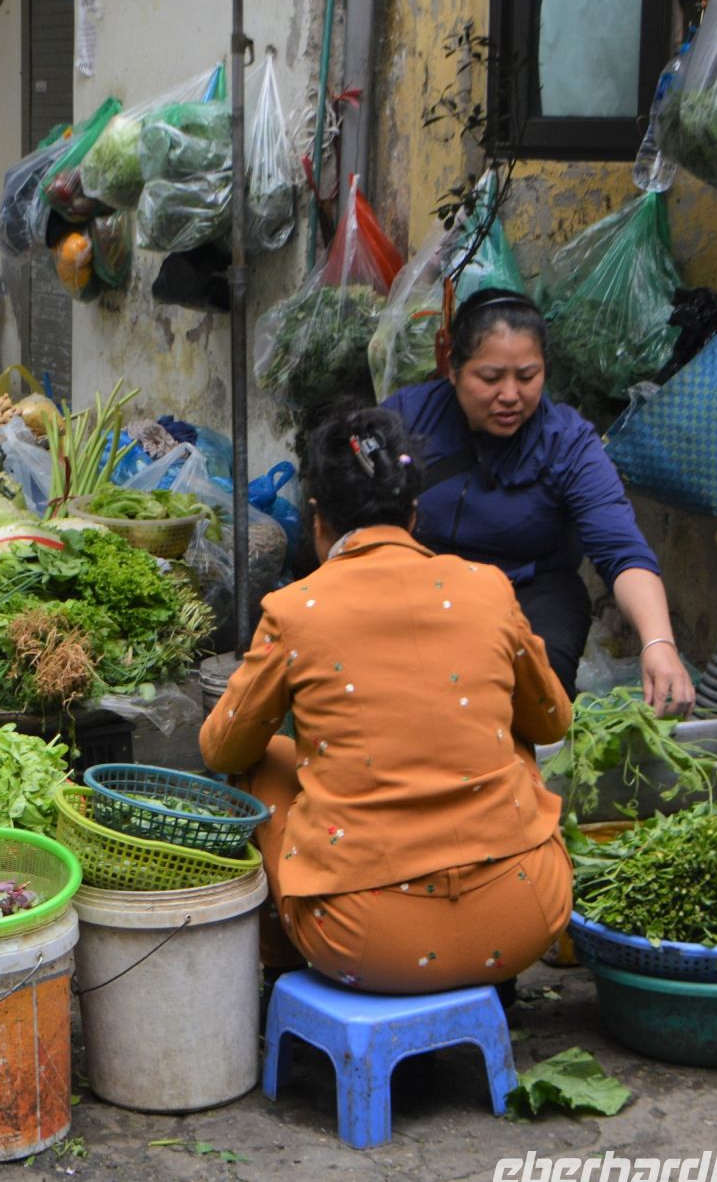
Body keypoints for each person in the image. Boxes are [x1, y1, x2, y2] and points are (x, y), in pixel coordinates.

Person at [200, 406, 574, 994]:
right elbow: (554, 718)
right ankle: (493, 981)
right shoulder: (488, 588)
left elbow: (222, 748)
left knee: (254, 762)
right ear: (414, 513)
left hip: (362, 938)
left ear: (317, 518)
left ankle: (278, 981)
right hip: (528, 916)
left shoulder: (297, 610)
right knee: (515, 730)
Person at [383, 288, 692, 712]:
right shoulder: (407, 417)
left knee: (524, 705)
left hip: (529, 595)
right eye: (490, 378)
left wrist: (658, 643)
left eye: (527, 376)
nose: (510, 394)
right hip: (414, 591)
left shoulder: (568, 443)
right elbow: (352, 512)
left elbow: (622, 551)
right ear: (451, 367)